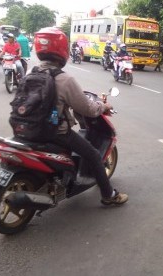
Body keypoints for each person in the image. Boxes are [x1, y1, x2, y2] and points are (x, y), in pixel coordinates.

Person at [32, 27, 128, 205]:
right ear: (62, 50)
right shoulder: (64, 80)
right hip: (54, 133)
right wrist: (104, 106)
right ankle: (109, 196)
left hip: (26, 130)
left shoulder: (32, 73)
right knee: (92, 154)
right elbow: (88, 109)